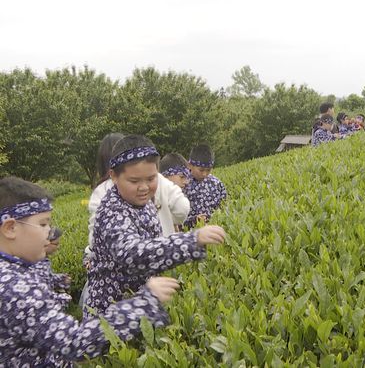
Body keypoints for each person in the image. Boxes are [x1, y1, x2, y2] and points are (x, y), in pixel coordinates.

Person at [0, 176, 179, 365]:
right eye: (43, 224)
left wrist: (55, 280)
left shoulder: (12, 270)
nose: (49, 232)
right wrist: (144, 303)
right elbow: (74, 341)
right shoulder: (15, 288)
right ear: (10, 228)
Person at [85, 135, 227, 316]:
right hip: (112, 312)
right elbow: (133, 254)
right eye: (134, 181)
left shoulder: (141, 202)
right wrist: (192, 240)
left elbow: (155, 242)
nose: (144, 187)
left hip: (140, 302)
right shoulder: (111, 212)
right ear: (114, 176)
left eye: (151, 179)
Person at [183, 144, 227, 228]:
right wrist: (194, 220)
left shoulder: (217, 184)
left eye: (208, 170)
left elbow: (223, 209)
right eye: (201, 170)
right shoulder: (183, 184)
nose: (204, 174)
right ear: (190, 165)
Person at [31, 227, 72, 307]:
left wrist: (61, 279)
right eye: (56, 244)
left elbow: (47, 278)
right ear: (46, 243)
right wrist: (62, 298)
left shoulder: (43, 260)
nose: (58, 247)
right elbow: (41, 294)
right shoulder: (38, 264)